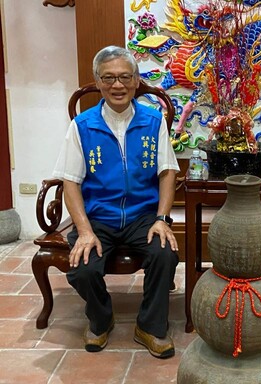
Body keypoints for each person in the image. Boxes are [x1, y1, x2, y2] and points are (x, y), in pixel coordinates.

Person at [53, 46, 180, 359]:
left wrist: (161, 219)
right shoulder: (82, 126)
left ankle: (150, 326)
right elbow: (70, 181)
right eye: (108, 78)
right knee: (81, 269)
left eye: (124, 76)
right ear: (98, 82)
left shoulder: (154, 121)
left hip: (142, 216)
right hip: (98, 217)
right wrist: (83, 230)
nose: (117, 85)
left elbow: (167, 173)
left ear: (136, 81)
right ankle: (101, 318)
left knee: (164, 255)